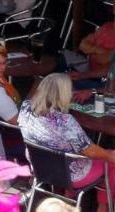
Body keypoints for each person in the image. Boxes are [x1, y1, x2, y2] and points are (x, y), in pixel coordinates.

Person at [19, 73, 115, 205]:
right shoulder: (65, 121)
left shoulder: (25, 108)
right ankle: (103, 206)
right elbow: (90, 151)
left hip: (39, 167)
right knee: (111, 160)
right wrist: (110, 155)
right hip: (70, 175)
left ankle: (68, 197)